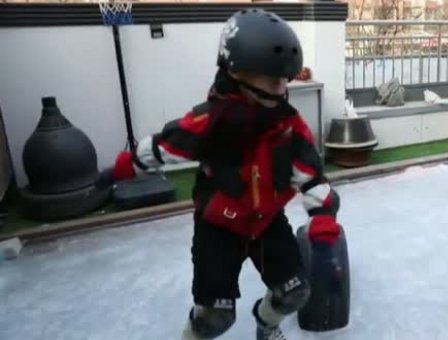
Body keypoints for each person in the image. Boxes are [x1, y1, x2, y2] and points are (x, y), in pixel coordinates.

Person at [96, 9, 342, 340]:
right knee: (215, 318)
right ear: (238, 72)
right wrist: (123, 167)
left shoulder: (289, 128)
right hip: (218, 228)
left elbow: (311, 175)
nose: (281, 88)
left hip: (266, 223)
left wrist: (323, 216)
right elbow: (165, 147)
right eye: (272, 79)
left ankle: (265, 324)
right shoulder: (209, 122)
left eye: (285, 79)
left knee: (295, 292)